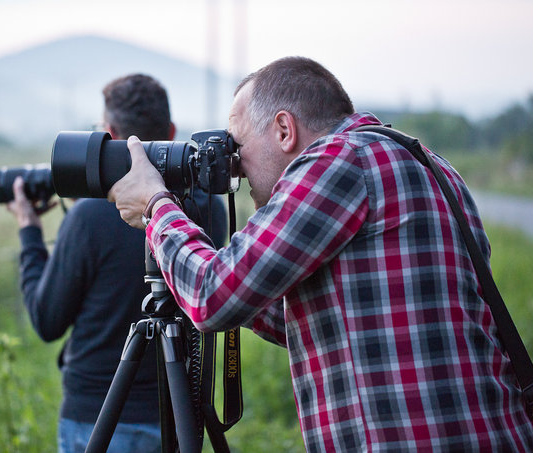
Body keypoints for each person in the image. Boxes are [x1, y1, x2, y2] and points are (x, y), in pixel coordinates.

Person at [107, 57, 533, 451]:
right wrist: (226, 270)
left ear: (284, 130)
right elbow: (323, 316)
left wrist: (155, 206)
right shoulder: (429, 165)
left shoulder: (337, 160)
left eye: (238, 147)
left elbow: (212, 297)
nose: (235, 167)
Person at [6, 73, 227, 453]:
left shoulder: (89, 216)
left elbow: (47, 320)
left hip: (97, 418)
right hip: (175, 418)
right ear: (170, 130)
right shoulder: (210, 208)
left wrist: (29, 230)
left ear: (108, 135)